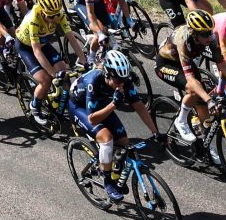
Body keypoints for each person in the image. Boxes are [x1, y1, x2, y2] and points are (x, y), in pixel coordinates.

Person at [68, 50, 160, 203]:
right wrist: (113, 104)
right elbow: (92, 119)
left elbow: (139, 106)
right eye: (118, 81)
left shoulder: (123, 80)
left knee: (123, 142)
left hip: (102, 103)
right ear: (107, 74)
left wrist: (156, 132)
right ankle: (108, 182)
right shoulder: (94, 81)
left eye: (124, 80)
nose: (121, 84)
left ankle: (112, 172)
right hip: (80, 107)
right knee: (107, 138)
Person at [14, 0, 76, 124]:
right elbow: (36, 51)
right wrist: (52, 73)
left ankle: (59, 101)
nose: (54, 19)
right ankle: (35, 106)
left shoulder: (57, 14)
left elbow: (71, 37)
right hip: (26, 47)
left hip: (43, 43)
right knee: (45, 80)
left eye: (56, 15)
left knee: (64, 72)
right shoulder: (33, 19)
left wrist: (85, 60)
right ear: (42, 11)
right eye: (50, 16)